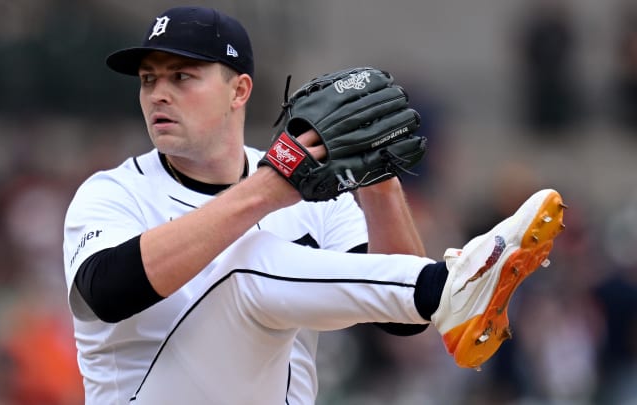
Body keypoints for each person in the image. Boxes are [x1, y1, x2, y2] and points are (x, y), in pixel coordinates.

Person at [62, 6, 566, 405]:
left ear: (239, 90)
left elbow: (398, 318)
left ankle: (450, 291)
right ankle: (449, 287)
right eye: (149, 79)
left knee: (258, 256)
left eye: (182, 76)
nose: (158, 94)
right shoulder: (112, 192)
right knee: (245, 260)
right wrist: (270, 189)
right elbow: (105, 293)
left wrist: (379, 183)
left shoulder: (307, 187)